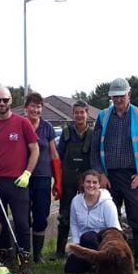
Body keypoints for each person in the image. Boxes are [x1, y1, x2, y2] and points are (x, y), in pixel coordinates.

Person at [91, 77, 138, 271]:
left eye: (122, 96)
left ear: (129, 94)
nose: (118, 100)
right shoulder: (103, 116)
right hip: (109, 176)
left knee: (137, 216)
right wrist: (101, 174)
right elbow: (95, 149)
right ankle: (113, 255)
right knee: (109, 217)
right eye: (114, 97)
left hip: (132, 176)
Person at [0, 86, 39, 263]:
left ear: (11, 101)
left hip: (19, 182)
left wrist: (27, 173)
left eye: (5, 100)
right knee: (0, 222)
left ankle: (25, 257)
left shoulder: (22, 123)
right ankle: (5, 254)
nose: (2, 103)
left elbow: (34, 150)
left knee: (22, 222)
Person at [52, 99, 93, 260]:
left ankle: (85, 249)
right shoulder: (66, 133)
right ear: (72, 114)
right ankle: (60, 251)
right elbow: (59, 157)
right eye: (76, 112)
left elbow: (96, 157)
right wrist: (58, 181)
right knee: (64, 215)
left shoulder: (93, 134)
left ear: (87, 114)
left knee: (87, 214)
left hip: (87, 180)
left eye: (82, 112)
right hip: (68, 178)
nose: (79, 115)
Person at [22, 92, 61, 263]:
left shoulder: (47, 127)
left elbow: (54, 153)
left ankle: (37, 254)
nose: (35, 109)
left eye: (38, 106)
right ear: (26, 108)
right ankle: (24, 252)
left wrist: (58, 180)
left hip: (43, 177)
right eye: (32, 105)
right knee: (23, 215)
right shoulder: (20, 125)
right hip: (22, 177)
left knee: (41, 214)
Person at [65, 169, 121, 274]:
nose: (91, 185)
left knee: (89, 236)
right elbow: (74, 224)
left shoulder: (107, 204)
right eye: (88, 182)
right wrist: (76, 243)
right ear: (83, 183)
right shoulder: (76, 201)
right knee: (71, 269)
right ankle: (92, 265)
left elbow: (115, 230)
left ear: (99, 185)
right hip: (83, 244)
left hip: (102, 245)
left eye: (94, 182)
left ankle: (105, 264)